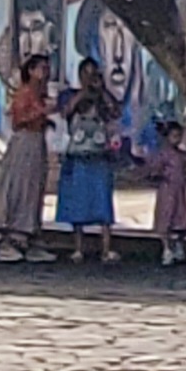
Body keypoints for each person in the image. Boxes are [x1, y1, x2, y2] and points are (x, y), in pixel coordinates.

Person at [0, 52, 53, 262]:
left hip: (37, 141)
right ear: (31, 71)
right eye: (41, 68)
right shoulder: (24, 94)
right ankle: (13, 238)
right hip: (25, 143)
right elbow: (18, 120)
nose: (45, 73)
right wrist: (42, 113)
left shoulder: (39, 94)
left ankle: (30, 237)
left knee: (33, 188)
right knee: (21, 186)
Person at [57, 58, 123, 263]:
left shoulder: (103, 97)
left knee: (102, 201)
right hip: (78, 155)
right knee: (77, 202)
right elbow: (66, 111)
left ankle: (106, 247)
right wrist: (83, 93)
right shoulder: (71, 95)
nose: (89, 77)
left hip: (99, 155)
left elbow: (115, 112)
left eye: (92, 73)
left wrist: (101, 91)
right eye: (86, 73)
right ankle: (78, 247)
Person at [153, 116, 186, 265]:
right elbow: (155, 170)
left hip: (179, 191)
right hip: (167, 190)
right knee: (166, 218)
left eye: (178, 136)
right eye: (174, 136)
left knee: (181, 217)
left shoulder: (181, 155)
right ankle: (166, 249)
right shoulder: (163, 154)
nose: (176, 140)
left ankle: (178, 245)